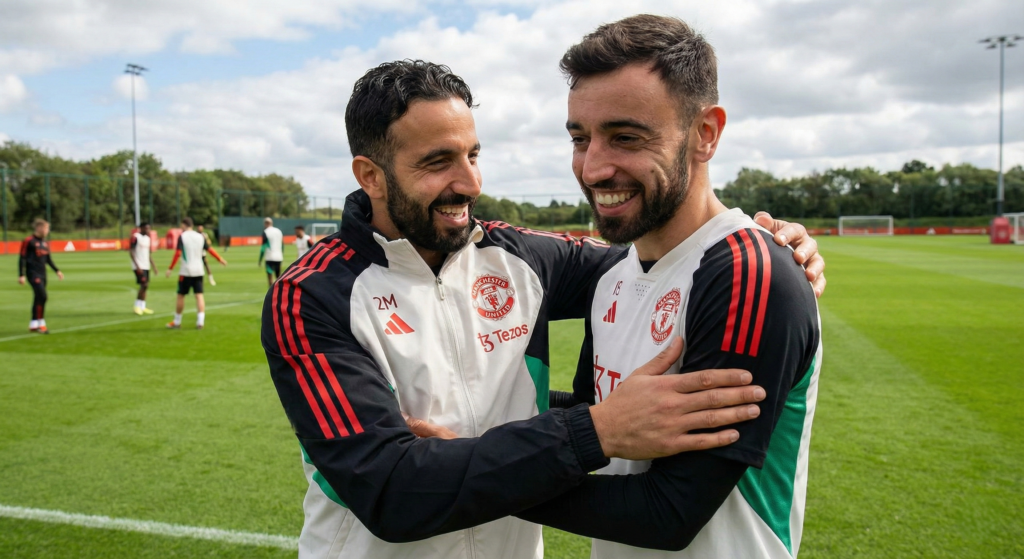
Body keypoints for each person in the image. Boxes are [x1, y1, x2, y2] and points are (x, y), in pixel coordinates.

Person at [263, 60, 825, 559]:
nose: (469, 182)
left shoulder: (523, 258)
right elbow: (388, 490)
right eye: (437, 162)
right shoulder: (311, 295)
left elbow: (663, 263)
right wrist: (594, 431)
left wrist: (768, 242)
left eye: (473, 155)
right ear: (371, 176)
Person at [482, 15, 821, 557]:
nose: (593, 168)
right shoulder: (614, 274)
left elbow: (669, 513)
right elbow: (595, 414)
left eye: (625, 137)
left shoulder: (748, 274)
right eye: (580, 138)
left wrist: (475, 478)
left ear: (705, 133)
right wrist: (473, 401)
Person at [166, 217, 227, 329]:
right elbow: (210, 250)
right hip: (199, 270)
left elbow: (178, 254)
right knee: (199, 295)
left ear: (184, 225)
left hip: (185, 271)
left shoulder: (182, 237)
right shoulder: (200, 237)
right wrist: (220, 259)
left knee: (181, 296)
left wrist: (170, 268)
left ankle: (177, 321)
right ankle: (200, 322)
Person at [18, 218, 63, 333]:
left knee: (38, 298)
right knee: (43, 296)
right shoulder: (29, 241)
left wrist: (57, 271)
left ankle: (33, 324)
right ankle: (41, 324)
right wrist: (21, 275)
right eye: (46, 228)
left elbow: (48, 259)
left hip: (43, 274)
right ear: (39, 228)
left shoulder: (44, 243)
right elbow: (22, 257)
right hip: (33, 274)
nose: (47, 231)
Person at [129, 222, 157, 315]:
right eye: (146, 228)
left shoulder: (148, 239)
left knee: (146, 285)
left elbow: (148, 254)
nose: (147, 230)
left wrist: (154, 266)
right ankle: (137, 306)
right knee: (143, 285)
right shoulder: (136, 237)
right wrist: (137, 266)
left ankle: (143, 306)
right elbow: (131, 252)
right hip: (139, 266)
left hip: (146, 265)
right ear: (141, 228)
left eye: (149, 228)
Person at [259, 217, 284, 287]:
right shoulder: (279, 231)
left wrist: (260, 259)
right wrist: (282, 254)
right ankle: (280, 293)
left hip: (269, 257)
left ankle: (271, 295)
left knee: (270, 277)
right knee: (278, 277)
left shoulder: (265, 232)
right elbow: (282, 245)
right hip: (279, 256)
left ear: (266, 223)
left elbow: (263, 247)